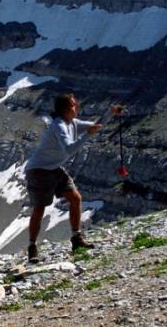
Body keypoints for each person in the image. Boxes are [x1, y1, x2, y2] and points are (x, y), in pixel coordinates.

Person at [24, 93, 121, 262]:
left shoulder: (72, 123)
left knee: (75, 198)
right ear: (65, 109)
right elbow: (69, 149)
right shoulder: (59, 126)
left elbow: (95, 126)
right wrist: (87, 135)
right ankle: (32, 247)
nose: (78, 107)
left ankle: (76, 238)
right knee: (39, 208)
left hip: (54, 168)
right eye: (74, 105)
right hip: (39, 170)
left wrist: (110, 114)